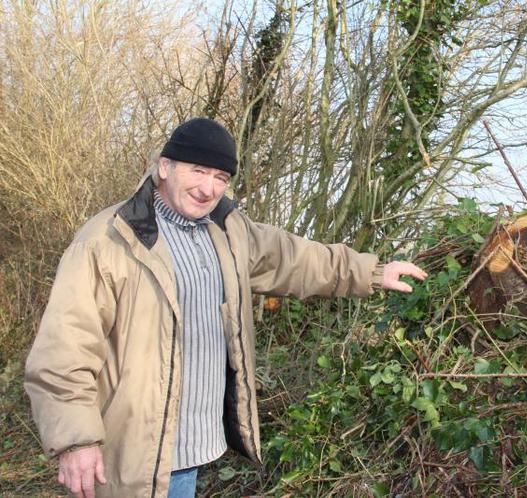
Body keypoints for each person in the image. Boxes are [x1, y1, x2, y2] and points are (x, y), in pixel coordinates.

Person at [24, 118, 427, 498]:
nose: (209, 187)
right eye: (198, 171)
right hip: (130, 452)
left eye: (221, 177)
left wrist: (373, 272)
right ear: (164, 167)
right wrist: (76, 440)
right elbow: (65, 348)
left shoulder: (227, 230)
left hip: (190, 451)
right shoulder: (108, 240)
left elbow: (297, 259)